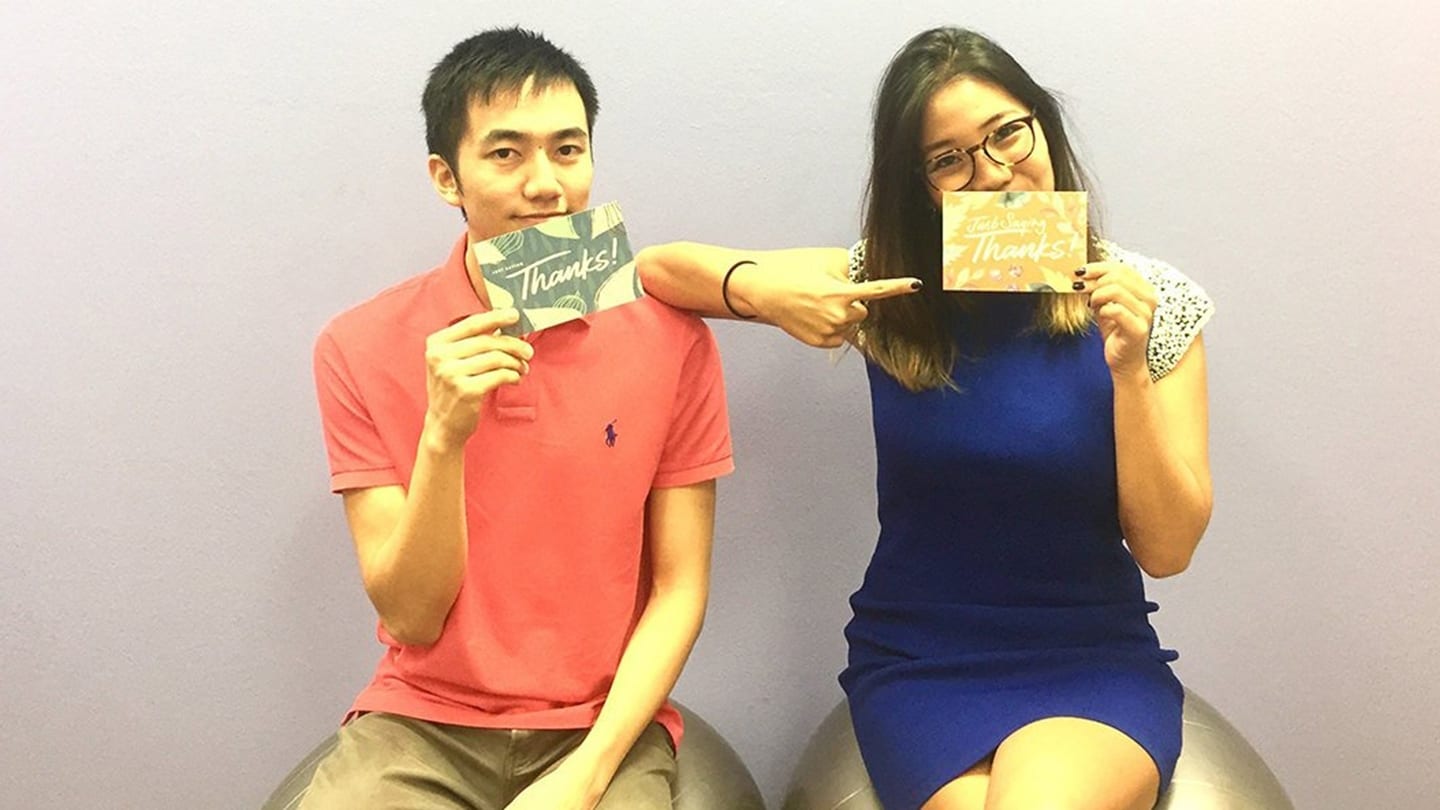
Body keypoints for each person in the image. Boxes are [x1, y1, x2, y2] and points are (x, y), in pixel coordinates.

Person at [637, 26, 1213, 810]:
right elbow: (659, 269)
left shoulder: (1152, 302)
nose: (994, 174)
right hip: (919, 656)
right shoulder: (893, 289)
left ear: (1043, 123)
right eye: (950, 160)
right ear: (922, 185)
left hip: (1088, 656)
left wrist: (1130, 376)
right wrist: (765, 293)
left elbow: (1169, 548)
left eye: (1008, 132)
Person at [304, 27, 733, 810]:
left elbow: (679, 590)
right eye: (506, 154)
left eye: (568, 151)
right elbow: (410, 612)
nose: (546, 184)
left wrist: (588, 773)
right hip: (421, 725)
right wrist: (443, 434)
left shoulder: (672, 340)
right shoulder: (357, 346)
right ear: (446, 176)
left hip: (600, 726)